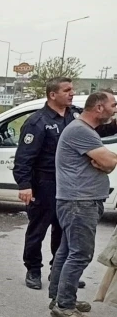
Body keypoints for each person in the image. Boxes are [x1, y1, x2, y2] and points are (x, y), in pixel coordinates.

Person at [12, 78, 117, 290]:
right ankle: (33, 269)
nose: (72, 93)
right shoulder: (37, 122)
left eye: (72, 90)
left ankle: (58, 272)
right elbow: (24, 157)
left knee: (63, 232)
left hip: (69, 184)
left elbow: (100, 129)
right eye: (67, 90)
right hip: (45, 184)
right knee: (37, 230)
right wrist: (24, 185)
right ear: (53, 95)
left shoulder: (75, 116)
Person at [49, 90, 117, 317]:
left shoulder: (86, 131)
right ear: (99, 108)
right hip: (79, 202)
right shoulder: (81, 131)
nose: (115, 109)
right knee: (79, 254)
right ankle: (64, 306)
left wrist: (105, 162)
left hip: (79, 201)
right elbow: (109, 162)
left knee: (67, 251)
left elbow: (105, 164)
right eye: (113, 104)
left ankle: (58, 298)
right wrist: (107, 161)